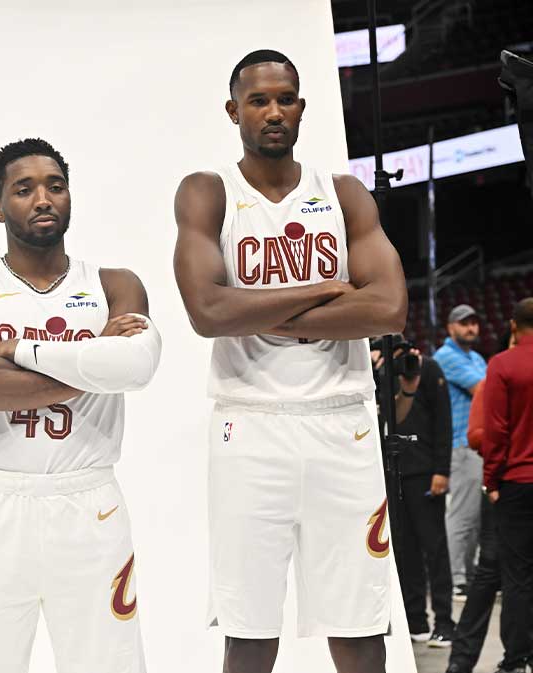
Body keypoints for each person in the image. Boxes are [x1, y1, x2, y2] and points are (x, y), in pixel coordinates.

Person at [172, 50, 407, 673]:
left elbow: (388, 309)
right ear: (234, 110)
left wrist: (248, 305)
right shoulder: (208, 191)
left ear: (303, 106)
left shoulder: (343, 193)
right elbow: (205, 314)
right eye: (258, 100)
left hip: (342, 421)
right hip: (250, 423)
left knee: (360, 622)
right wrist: (328, 288)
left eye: (286, 99)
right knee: (249, 628)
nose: (273, 111)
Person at [0, 138, 162, 673]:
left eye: (55, 186)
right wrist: (91, 354)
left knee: (110, 663)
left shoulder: (114, 284)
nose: (43, 199)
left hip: (90, 501)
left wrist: (16, 354)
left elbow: (135, 368)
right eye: (24, 188)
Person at [448, 324, 523, 673]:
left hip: (506, 483)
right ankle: (466, 661)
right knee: (491, 573)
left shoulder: (500, 369)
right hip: (503, 485)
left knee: (504, 577)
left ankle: (512, 659)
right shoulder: (498, 372)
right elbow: (478, 434)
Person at [369, 341, 454, 647]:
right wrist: (377, 368)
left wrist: (442, 469)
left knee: (435, 548)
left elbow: (444, 421)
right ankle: (415, 619)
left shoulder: (427, 367)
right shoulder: (376, 369)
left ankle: (444, 621)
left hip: (425, 471)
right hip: (391, 473)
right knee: (404, 551)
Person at [481, 297, 533, 672]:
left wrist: (490, 479)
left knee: (517, 577)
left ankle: (516, 658)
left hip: (516, 481)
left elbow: (496, 431)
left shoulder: (502, 365)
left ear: (513, 325)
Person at [434, 303, 489, 596]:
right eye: (464, 323)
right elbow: (484, 389)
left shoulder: (477, 357)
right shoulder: (446, 356)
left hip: (479, 447)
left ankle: (469, 575)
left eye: (474, 322)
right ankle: (456, 578)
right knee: (462, 516)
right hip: (461, 444)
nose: (471, 328)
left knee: (478, 518)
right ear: (451, 327)